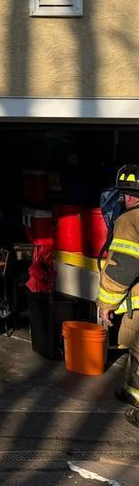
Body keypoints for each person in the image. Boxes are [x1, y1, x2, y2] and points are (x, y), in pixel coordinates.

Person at [98, 164, 139, 425]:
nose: (123, 199)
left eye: (124, 194)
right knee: (136, 349)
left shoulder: (129, 220)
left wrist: (106, 303)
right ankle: (133, 393)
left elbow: (122, 267)